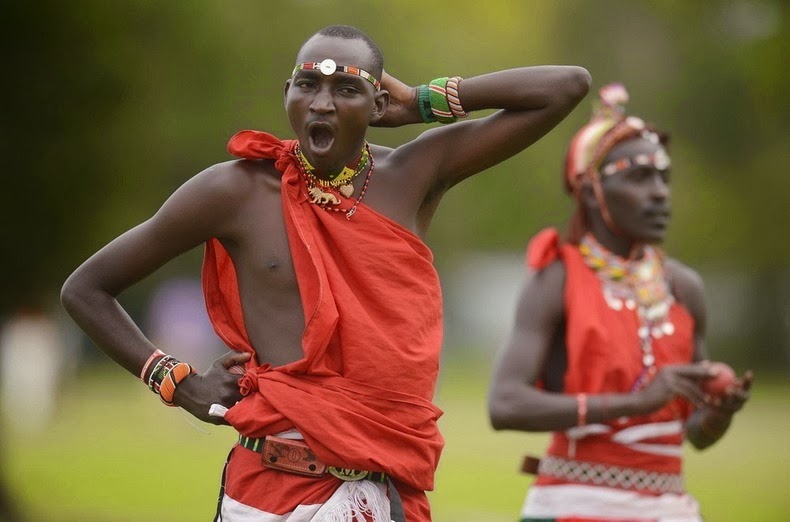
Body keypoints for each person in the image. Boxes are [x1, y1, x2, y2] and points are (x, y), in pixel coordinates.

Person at [60, 24, 591, 521]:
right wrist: (176, 382)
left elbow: (565, 87)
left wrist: (420, 104)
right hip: (267, 488)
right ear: (287, 92)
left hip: (381, 489)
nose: (322, 102)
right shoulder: (235, 190)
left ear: (379, 104)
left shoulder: (411, 175)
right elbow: (86, 289)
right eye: (307, 84)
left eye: (346, 90)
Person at [487, 83, 753, 522]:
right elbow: (504, 405)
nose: (660, 194)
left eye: (664, 178)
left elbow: (692, 435)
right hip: (574, 506)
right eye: (638, 177)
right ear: (590, 191)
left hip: (671, 509)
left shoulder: (685, 287)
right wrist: (634, 403)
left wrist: (717, 416)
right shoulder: (556, 278)